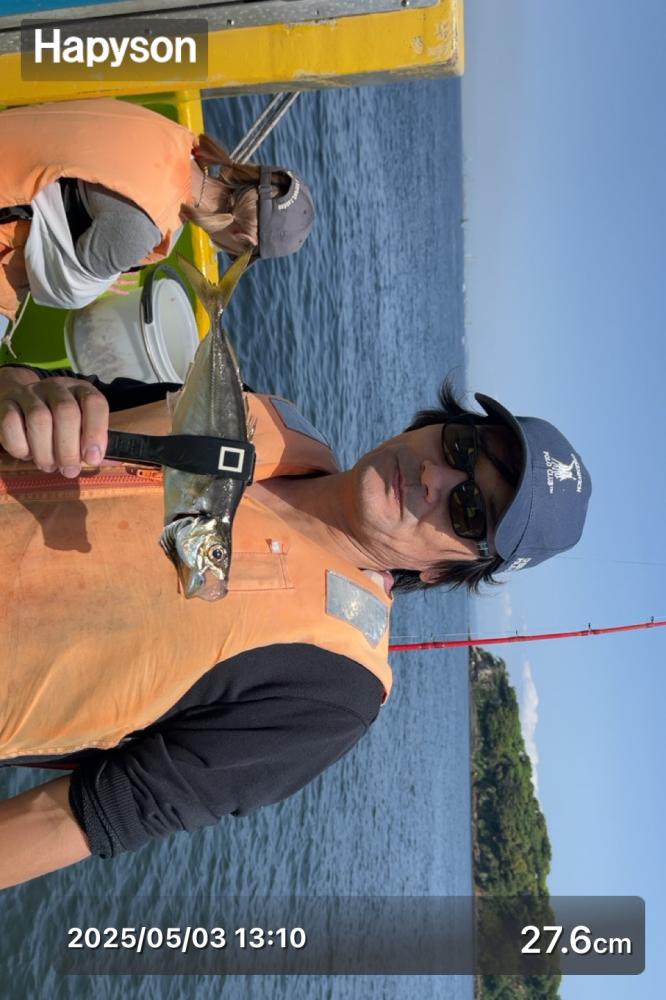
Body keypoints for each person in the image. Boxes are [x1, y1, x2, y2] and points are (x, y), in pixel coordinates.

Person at [0, 363, 591, 887]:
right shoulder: (251, 411)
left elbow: (83, 815)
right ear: (434, 423)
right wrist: (21, 388)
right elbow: (50, 388)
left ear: (442, 572)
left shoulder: (335, 689)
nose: (435, 478)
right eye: (463, 447)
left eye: (468, 511)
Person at [0, 98, 315, 322]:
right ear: (242, 237)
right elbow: (55, 288)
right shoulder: (147, 226)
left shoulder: (178, 138)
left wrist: (104, 259)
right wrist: (103, 276)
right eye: (241, 254)